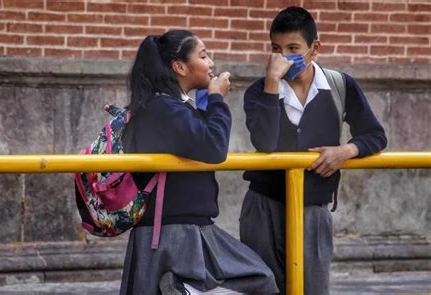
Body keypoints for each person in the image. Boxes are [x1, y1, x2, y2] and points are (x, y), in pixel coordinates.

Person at [240, 6, 387, 295]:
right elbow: (265, 143)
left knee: (313, 288)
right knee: (263, 288)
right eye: (276, 49)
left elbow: (375, 135)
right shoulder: (259, 91)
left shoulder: (339, 85)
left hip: (314, 211)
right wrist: (272, 83)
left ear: (314, 48)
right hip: (264, 207)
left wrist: (346, 150)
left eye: (293, 48)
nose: (284, 57)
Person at [119, 29, 278, 295]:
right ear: (180, 66)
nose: (211, 62)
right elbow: (214, 147)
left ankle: (186, 290)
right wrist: (216, 98)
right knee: (259, 280)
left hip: (185, 226)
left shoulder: (168, 107)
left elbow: (198, 141)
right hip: (174, 231)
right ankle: (186, 290)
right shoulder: (164, 109)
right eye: (203, 56)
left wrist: (206, 103)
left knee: (259, 279)